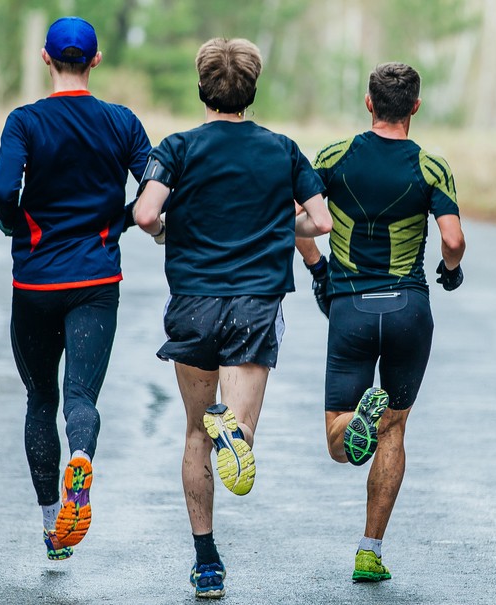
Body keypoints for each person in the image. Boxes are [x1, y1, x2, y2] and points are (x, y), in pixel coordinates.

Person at [133, 38, 332, 598]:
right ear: (252, 89)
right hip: (254, 303)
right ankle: (234, 430)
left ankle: (206, 562)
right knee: (237, 433)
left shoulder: (177, 147)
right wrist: (275, 225)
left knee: (195, 431)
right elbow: (322, 224)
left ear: (203, 88)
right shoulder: (283, 149)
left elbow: (147, 213)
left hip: (194, 303)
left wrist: (169, 231)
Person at [0, 16, 151, 561]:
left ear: (45, 58)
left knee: (40, 398)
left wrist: (16, 224)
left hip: (34, 281)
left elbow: (1, 186)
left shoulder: (25, 121)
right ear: (96, 61)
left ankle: (49, 527)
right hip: (96, 282)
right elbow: (157, 182)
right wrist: (122, 220)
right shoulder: (122, 121)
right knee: (81, 397)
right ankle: (82, 456)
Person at [297, 61, 465, 582]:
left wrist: (317, 266)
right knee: (395, 427)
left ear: (369, 103)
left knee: (337, 439)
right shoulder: (431, 167)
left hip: (351, 306)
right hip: (408, 307)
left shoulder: (331, 157)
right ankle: (369, 551)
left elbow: (291, 217)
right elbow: (454, 241)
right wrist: (451, 272)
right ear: (415, 106)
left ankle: (355, 421)